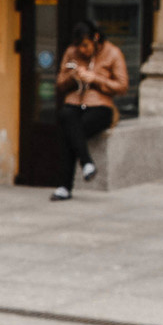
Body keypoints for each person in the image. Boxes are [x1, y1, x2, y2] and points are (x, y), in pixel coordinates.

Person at [48, 18, 126, 201]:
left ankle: (65, 186)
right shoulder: (71, 53)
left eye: (85, 45)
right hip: (75, 103)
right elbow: (60, 83)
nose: (82, 50)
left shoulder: (112, 53)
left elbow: (122, 86)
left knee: (71, 132)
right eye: (79, 46)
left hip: (100, 106)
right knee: (66, 115)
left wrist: (95, 79)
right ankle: (87, 163)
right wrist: (73, 76)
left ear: (95, 38)